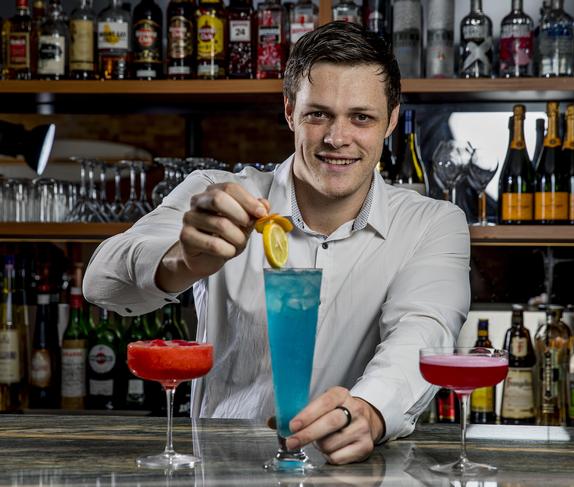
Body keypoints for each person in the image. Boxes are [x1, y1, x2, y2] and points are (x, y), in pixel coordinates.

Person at [83, 21, 470, 465]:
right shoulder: (219, 194)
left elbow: (422, 334)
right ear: (289, 112)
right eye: (317, 114)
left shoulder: (432, 224)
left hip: (357, 474)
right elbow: (101, 283)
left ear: (391, 121)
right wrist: (183, 260)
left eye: (361, 117)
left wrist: (370, 410)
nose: (337, 137)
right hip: (227, 471)